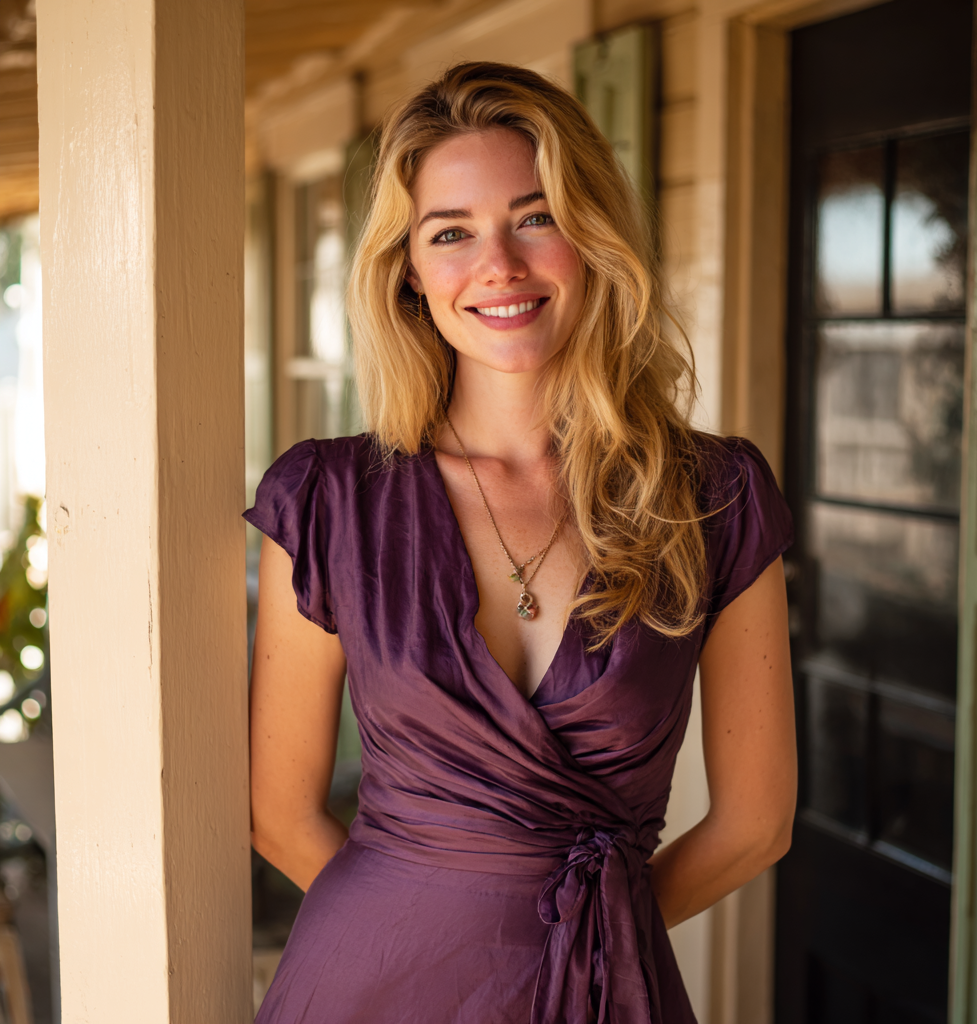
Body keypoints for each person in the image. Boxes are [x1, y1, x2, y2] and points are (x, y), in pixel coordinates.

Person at [245, 61, 797, 1024]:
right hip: (366, 990)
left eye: (534, 217)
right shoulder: (329, 499)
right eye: (450, 232)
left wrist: (588, 948)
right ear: (409, 270)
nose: (497, 264)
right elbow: (281, 816)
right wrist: (433, 937)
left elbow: (756, 824)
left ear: (593, 235)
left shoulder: (715, 497)